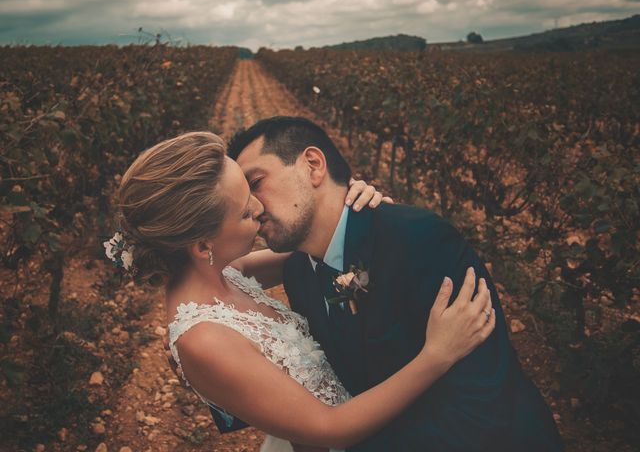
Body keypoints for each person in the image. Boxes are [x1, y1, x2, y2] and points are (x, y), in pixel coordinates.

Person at [107, 130, 495, 452]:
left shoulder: (226, 272)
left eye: (251, 189)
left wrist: (345, 204)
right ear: (203, 245)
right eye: (245, 211)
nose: (259, 208)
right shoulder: (203, 339)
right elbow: (330, 428)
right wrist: (436, 355)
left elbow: (321, 248)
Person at [223, 116, 565, 452]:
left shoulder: (418, 238)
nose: (251, 207)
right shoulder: (299, 273)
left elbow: (484, 395)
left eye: (256, 183)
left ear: (313, 165)